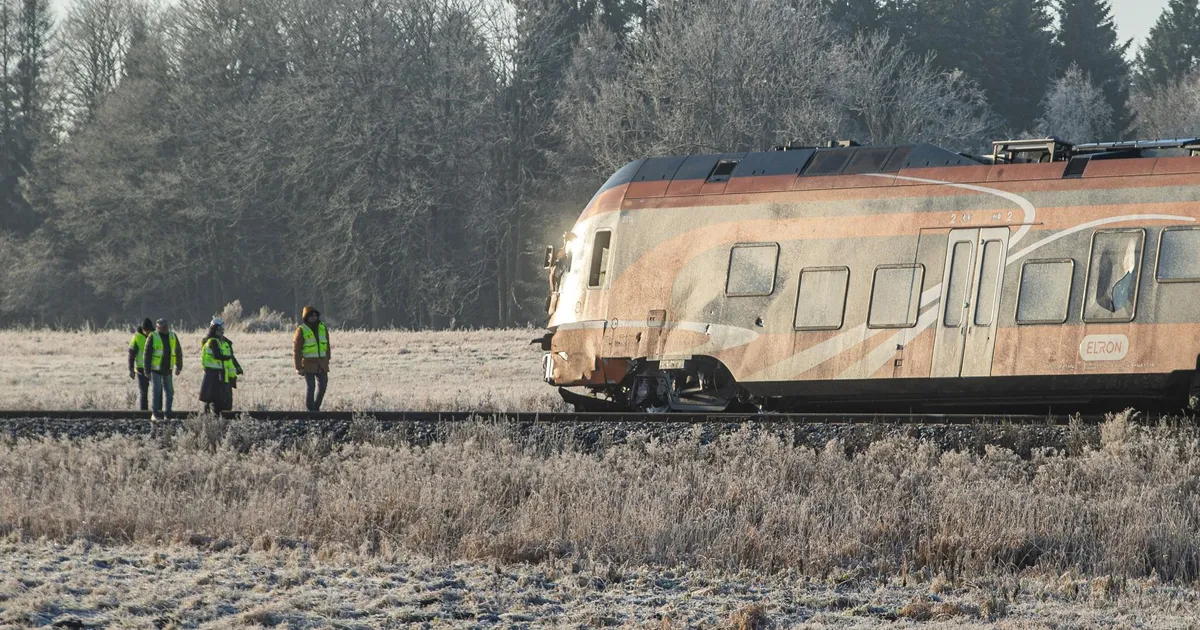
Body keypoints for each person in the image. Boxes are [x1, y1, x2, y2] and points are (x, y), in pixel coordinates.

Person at [199, 317, 243, 414]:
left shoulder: (226, 342)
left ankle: (223, 418)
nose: (221, 332)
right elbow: (217, 355)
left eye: (222, 330)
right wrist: (226, 358)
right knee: (213, 399)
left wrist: (237, 367)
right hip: (213, 374)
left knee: (226, 400)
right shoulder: (210, 341)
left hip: (225, 374)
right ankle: (211, 418)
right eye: (218, 330)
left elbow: (231, 357)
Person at [142, 318, 182, 419]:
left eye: (166, 326)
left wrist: (179, 366)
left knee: (170, 392)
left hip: (168, 369)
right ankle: (155, 414)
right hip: (155, 370)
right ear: (158, 327)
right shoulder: (153, 336)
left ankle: (168, 414)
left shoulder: (173, 336)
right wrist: (147, 371)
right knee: (156, 391)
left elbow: (178, 351)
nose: (165, 328)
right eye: (162, 327)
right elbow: (147, 354)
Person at [293, 306, 331, 411]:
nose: (313, 317)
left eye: (315, 315)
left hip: (322, 363)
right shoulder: (301, 330)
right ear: (306, 317)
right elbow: (297, 350)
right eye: (310, 316)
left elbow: (327, 345)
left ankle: (316, 408)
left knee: (323, 386)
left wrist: (327, 359)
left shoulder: (323, 327)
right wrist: (298, 367)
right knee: (311, 388)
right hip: (308, 364)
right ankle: (310, 411)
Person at [127, 318, 154, 411]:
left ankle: (157, 412)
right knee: (143, 393)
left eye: (149, 330)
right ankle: (144, 413)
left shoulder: (155, 336)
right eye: (146, 330)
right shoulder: (137, 337)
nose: (147, 332)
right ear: (142, 329)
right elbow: (131, 354)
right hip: (140, 370)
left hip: (153, 369)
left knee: (157, 392)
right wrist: (131, 369)